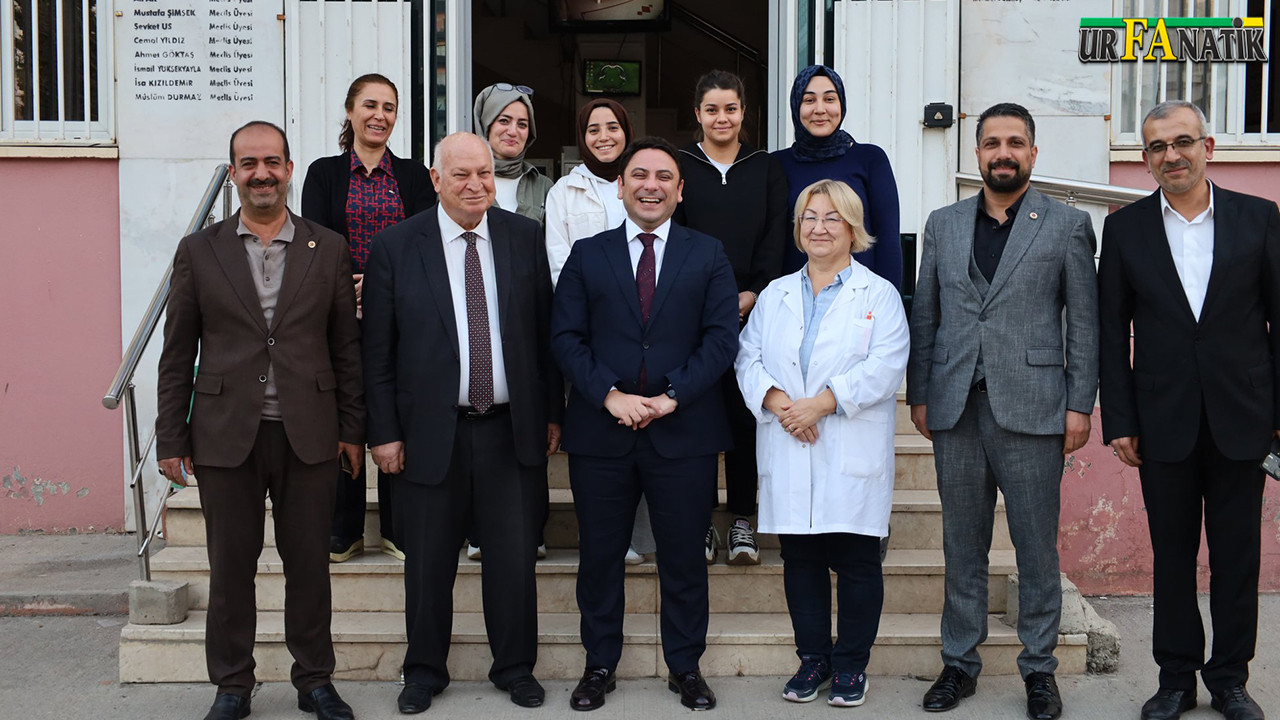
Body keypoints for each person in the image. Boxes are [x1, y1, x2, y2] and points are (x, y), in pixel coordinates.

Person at [155, 121, 364, 720]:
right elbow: (177, 352)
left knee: (309, 568)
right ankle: (232, 686)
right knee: (230, 569)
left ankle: (315, 680)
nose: (262, 173)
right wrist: (172, 435)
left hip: (310, 431)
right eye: (249, 164)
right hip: (224, 435)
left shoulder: (327, 247)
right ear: (233, 173)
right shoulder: (200, 249)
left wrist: (353, 429)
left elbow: (345, 348)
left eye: (272, 161)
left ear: (290, 169)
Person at [905, 103, 1098, 720]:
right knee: (962, 545)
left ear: (1033, 154)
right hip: (956, 407)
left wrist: (1079, 405)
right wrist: (921, 393)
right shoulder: (943, 223)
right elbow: (926, 314)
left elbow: (1085, 325)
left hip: (1036, 409)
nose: (1003, 153)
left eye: (1015, 142)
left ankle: (1039, 671)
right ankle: (959, 664)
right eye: (991, 143)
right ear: (977, 153)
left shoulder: (1066, 224)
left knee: (1036, 548)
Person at [361, 132, 563, 713]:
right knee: (427, 563)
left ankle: (515, 668)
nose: (476, 185)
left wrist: (551, 415)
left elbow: (544, 337)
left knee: (513, 560)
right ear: (435, 178)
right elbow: (377, 352)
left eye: (484, 174)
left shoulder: (525, 238)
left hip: (509, 430)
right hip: (428, 433)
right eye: (462, 175)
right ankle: (423, 671)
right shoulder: (397, 246)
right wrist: (384, 433)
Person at [1099, 100, 1278, 720]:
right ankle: (1175, 678)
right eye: (1156, 147)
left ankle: (1230, 678)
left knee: (1237, 558)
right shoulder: (1125, 230)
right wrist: (1118, 420)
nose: (1171, 155)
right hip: (1161, 422)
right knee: (1171, 556)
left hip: (1243, 418)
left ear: (1208, 146)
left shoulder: (1259, 218)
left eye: (1182, 142)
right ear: (1146, 161)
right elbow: (1109, 330)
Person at [551, 136, 739, 712]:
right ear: (621, 186)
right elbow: (565, 337)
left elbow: (721, 339)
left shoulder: (708, 254)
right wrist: (608, 395)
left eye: (663, 176)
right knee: (601, 557)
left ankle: (685, 667)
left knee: (683, 558)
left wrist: (671, 396)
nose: (651, 184)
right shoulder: (588, 253)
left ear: (680, 192)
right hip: (601, 433)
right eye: (639, 175)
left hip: (683, 434)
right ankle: (598, 665)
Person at [736, 179, 908, 706]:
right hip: (790, 439)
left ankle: (852, 665)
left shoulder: (878, 294)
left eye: (832, 217)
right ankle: (812, 660)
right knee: (800, 561)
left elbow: (886, 365)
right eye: (810, 217)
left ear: (853, 228)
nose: (819, 227)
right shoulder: (776, 294)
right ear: (797, 228)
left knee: (857, 562)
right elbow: (748, 357)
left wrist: (822, 403)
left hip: (847, 443)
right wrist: (779, 403)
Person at [300, 72, 435, 565]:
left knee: (396, 408)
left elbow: (426, 242)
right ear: (351, 111)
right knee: (344, 409)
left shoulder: (416, 176)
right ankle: (344, 529)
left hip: (402, 310)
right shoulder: (323, 173)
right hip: (338, 310)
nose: (381, 115)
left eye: (390, 107)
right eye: (371, 105)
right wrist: (350, 283)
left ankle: (399, 528)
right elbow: (312, 241)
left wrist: (378, 280)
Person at [676, 69, 788, 566]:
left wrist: (754, 293)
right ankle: (700, 521)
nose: (722, 118)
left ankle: (743, 521)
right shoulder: (680, 166)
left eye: (731, 108)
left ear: (745, 112)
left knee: (746, 418)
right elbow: (673, 237)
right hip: (690, 316)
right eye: (711, 109)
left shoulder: (766, 168)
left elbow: (777, 238)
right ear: (697, 114)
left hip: (754, 313)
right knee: (699, 418)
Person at [543, 98, 654, 565]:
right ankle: (605, 535)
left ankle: (639, 537)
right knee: (601, 438)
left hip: (647, 336)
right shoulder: (562, 193)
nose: (604, 136)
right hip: (590, 334)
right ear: (581, 136)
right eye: (593, 128)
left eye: (613, 127)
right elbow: (558, 264)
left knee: (647, 435)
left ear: (627, 132)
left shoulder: (644, 184)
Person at [773, 64, 901, 287]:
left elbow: (888, 241)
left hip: (860, 300)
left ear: (841, 104)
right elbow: (770, 244)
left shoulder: (870, 159)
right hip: (793, 301)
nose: (820, 109)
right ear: (796, 106)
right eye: (809, 100)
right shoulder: (776, 164)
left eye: (830, 99)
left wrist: (887, 303)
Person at [473, 83, 554, 225]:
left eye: (522, 124)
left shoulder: (543, 186)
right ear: (486, 126)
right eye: (504, 121)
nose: (512, 131)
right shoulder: (463, 182)